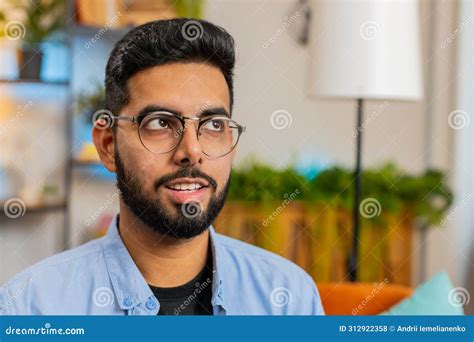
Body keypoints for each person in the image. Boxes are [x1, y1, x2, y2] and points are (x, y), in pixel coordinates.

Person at [0, 18, 324, 315]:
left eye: (213, 124)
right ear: (108, 146)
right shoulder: (32, 306)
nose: (192, 151)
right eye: (160, 123)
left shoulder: (289, 298)